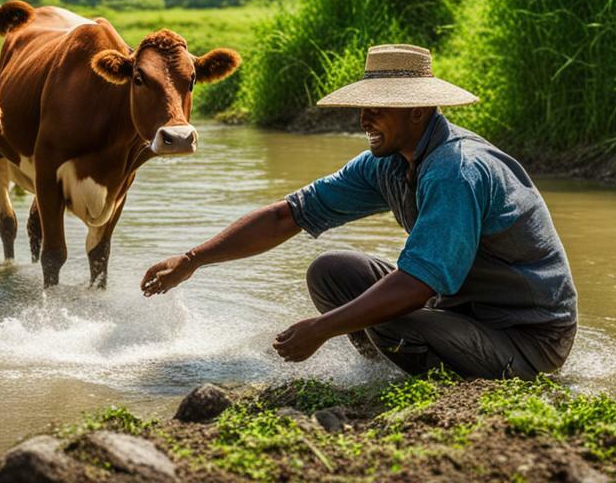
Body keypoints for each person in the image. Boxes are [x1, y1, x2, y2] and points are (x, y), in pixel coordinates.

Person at [140, 44, 577, 379]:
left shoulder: (454, 171)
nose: (364, 120)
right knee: (331, 272)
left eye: (378, 109)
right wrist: (193, 260)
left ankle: (421, 372)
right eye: (363, 108)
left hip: (526, 340)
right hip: (460, 312)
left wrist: (321, 329)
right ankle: (398, 366)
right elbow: (287, 215)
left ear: (419, 110)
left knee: (390, 318)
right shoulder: (387, 162)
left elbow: (417, 285)